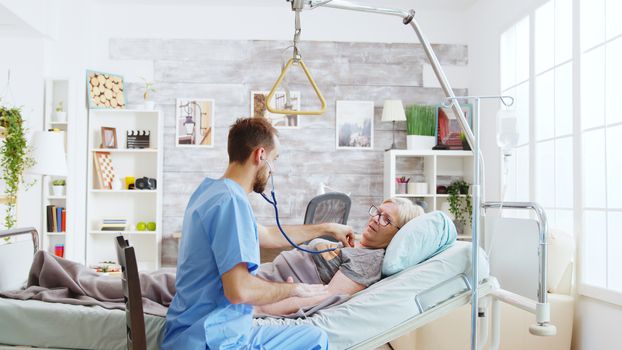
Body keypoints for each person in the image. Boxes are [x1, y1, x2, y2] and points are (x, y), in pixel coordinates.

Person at [161, 117, 354, 350]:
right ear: (260, 155)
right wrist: (294, 290)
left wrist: (328, 227)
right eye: (274, 160)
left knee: (313, 336)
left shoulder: (211, 192)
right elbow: (239, 290)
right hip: (212, 340)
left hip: (195, 330)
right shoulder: (231, 202)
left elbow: (269, 235)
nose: (272, 171)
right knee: (315, 341)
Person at [255, 197, 424, 316]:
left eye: (386, 219)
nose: (375, 219)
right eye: (377, 212)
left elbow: (325, 297)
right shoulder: (356, 241)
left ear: (398, 234)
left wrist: (261, 310)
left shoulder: (369, 260)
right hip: (262, 275)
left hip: (265, 289)